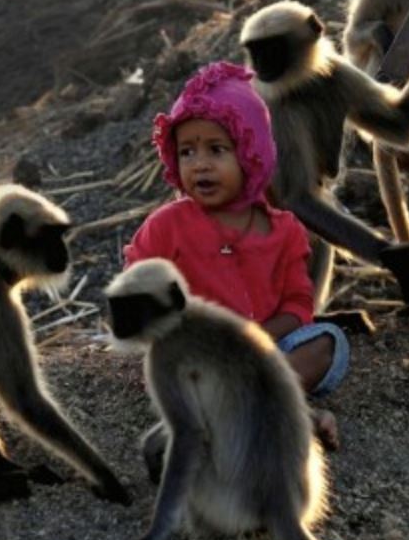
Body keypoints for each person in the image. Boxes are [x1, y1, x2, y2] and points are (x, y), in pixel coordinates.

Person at [125, 62, 349, 446]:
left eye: (216, 149)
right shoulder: (168, 225)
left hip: (266, 350)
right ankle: (281, 412)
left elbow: (298, 303)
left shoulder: (284, 231)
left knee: (328, 343)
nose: (201, 164)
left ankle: (243, 411)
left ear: (250, 153)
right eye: (187, 152)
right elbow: (136, 283)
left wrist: (259, 335)